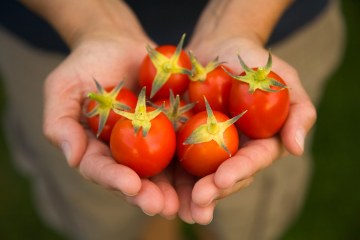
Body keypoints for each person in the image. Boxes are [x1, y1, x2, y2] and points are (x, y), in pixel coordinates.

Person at [0, 0, 345, 239]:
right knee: (108, 213)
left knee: (245, 217)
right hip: (51, 35)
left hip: (275, 24)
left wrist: (244, 21)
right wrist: (91, 22)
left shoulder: (225, 89)